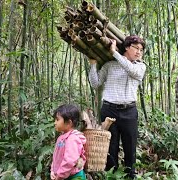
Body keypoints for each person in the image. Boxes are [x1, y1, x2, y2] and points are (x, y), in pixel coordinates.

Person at [89, 35, 146, 178]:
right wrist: (93, 65)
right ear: (127, 47)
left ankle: (130, 175)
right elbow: (95, 84)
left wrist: (114, 52)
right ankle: (112, 174)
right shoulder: (109, 65)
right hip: (109, 109)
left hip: (129, 111)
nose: (139, 52)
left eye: (141, 49)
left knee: (130, 145)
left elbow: (131, 70)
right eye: (136, 48)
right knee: (111, 145)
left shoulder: (140, 66)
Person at [50, 104, 87, 180]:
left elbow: (70, 161)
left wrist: (60, 175)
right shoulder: (61, 137)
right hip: (63, 175)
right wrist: (53, 171)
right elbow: (56, 156)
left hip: (75, 176)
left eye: (57, 120)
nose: (55, 122)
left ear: (69, 123)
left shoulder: (73, 139)